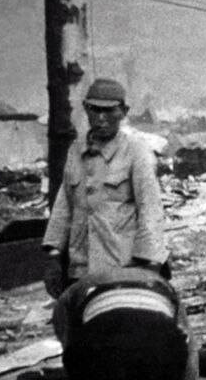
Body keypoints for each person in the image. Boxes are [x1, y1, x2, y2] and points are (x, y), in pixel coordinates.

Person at [43, 78, 167, 296]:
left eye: (109, 111)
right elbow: (64, 207)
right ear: (86, 109)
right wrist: (53, 256)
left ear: (123, 112)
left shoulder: (136, 151)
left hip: (124, 268)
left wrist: (149, 264)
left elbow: (150, 209)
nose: (101, 118)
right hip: (81, 269)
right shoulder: (76, 151)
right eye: (95, 110)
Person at [52, 266, 197, 380]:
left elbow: (71, 352)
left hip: (102, 339)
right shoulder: (168, 293)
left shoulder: (70, 297)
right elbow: (190, 360)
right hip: (156, 338)